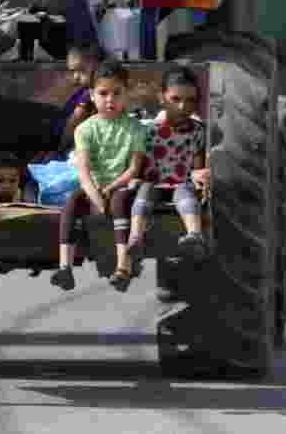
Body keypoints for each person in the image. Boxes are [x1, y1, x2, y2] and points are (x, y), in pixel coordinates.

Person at [50, 60, 147, 293]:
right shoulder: (84, 130)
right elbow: (83, 171)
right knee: (72, 202)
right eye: (103, 93)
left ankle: (123, 265)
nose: (110, 99)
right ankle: (65, 267)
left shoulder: (136, 129)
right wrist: (95, 196)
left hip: (122, 187)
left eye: (117, 93)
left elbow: (133, 169)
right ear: (92, 95)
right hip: (95, 188)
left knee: (119, 201)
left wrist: (111, 188)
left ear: (127, 94)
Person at [131, 66, 210, 264]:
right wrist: (135, 178)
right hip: (153, 183)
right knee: (145, 191)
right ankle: (135, 238)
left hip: (180, 183)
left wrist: (201, 176)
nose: (183, 106)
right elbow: (137, 162)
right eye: (176, 99)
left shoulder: (198, 130)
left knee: (185, 193)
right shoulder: (148, 130)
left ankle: (194, 235)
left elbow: (198, 164)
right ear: (162, 98)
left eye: (190, 100)